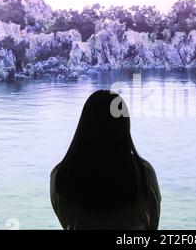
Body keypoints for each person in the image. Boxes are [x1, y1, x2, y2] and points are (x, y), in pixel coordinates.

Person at [50, 90, 161, 230]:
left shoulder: (60, 176)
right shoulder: (143, 174)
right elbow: (153, 225)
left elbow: (66, 222)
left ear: (83, 124)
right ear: (125, 125)